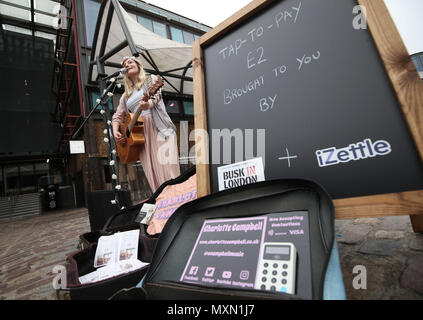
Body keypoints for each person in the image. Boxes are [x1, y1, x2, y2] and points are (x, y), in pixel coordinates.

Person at [112, 56, 180, 192]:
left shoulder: (151, 80)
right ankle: (162, 202)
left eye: (130, 62)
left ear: (138, 65)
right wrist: (115, 131)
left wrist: (147, 104)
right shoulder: (126, 96)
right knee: (152, 171)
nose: (127, 65)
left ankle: (178, 199)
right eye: (125, 64)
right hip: (140, 136)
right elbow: (117, 117)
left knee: (168, 168)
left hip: (158, 127)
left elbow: (156, 97)